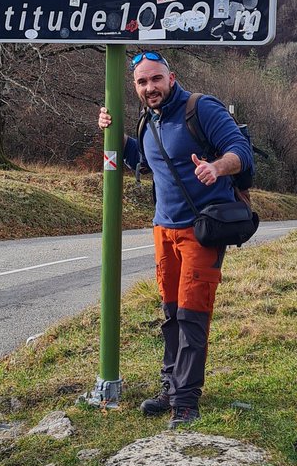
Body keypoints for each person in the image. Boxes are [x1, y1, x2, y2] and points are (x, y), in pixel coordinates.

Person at [98, 51, 253, 429]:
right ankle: (170, 386)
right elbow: (148, 161)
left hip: (202, 230)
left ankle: (186, 402)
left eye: (155, 79)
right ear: (135, 87)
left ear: (171, 77)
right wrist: (112, 130)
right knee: (171, 314)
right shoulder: (148, 120)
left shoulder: (201, 109)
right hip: (163, 229)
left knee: (192, 314)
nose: (149, 87)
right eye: (141, 82)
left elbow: (241, 152)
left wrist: (216, 168)